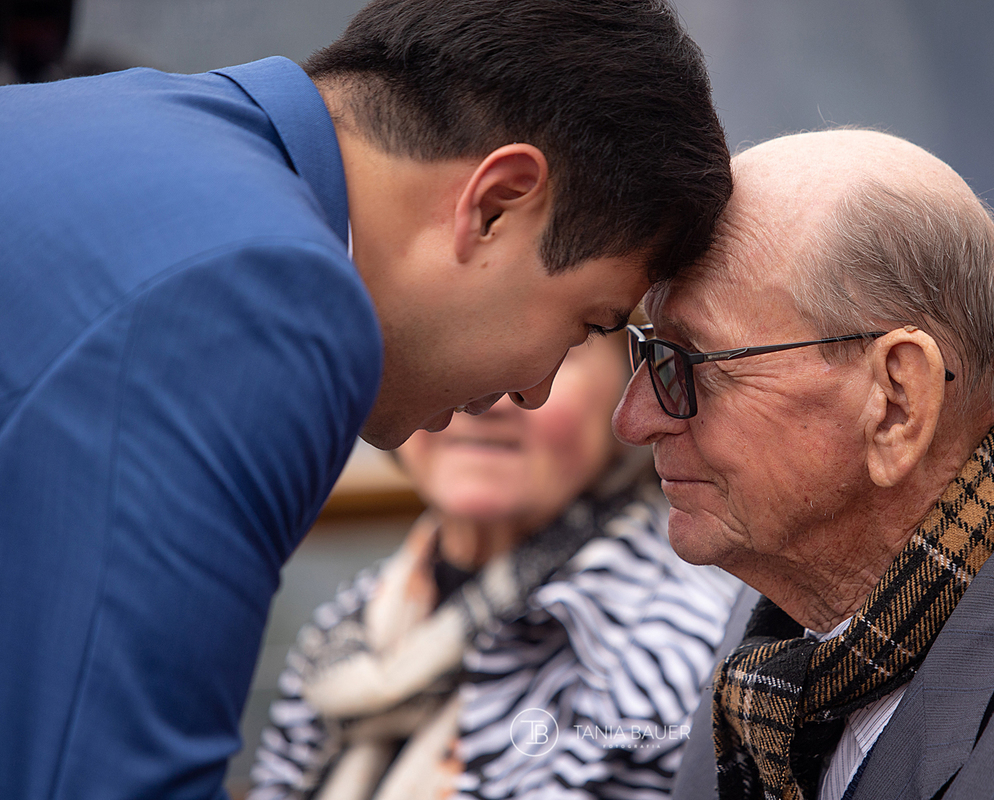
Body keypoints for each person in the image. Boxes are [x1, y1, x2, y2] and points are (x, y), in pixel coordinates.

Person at [0, 1, 732, 797]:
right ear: (496, 203)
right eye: (586, 325)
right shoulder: (266, 290)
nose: (532, 389)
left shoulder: (111, 129)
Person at [614, 129, 994, 800]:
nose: (635, 420)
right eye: (648, 353)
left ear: (895, 403)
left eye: (687, 364)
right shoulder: (783, 605)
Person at [248, 336, 739, 800]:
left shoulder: (684, 656)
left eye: (549, 354)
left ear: (631, 385)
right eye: (448, 344)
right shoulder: (347, 628)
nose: (486, 399)